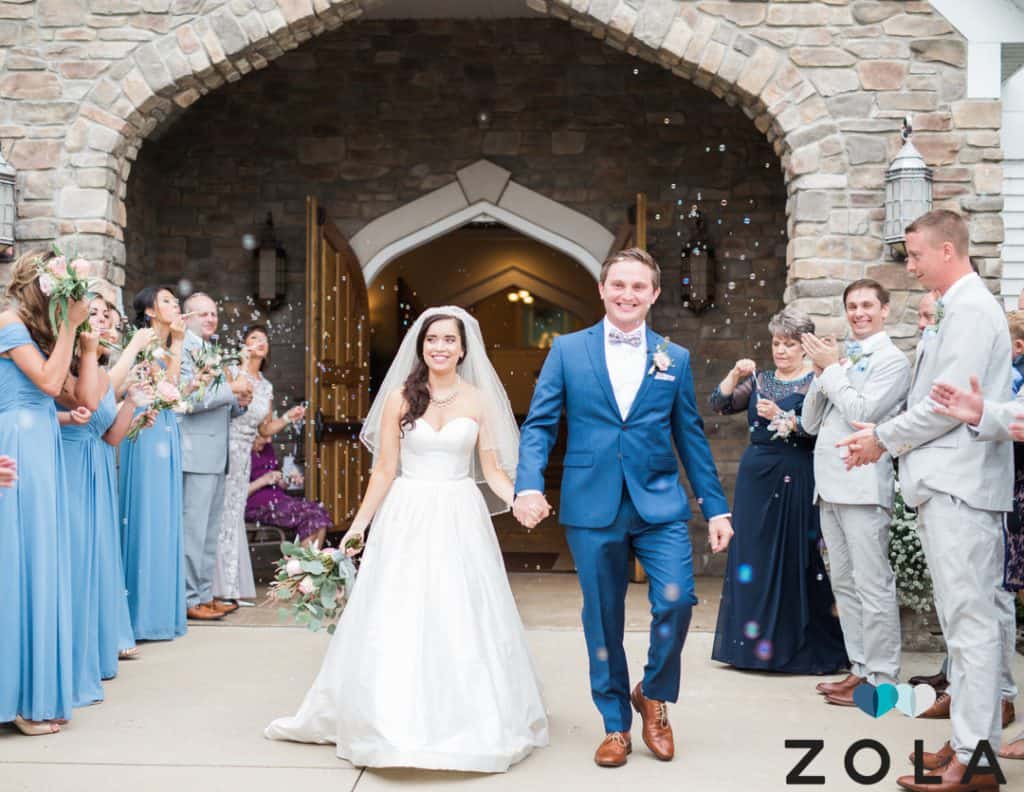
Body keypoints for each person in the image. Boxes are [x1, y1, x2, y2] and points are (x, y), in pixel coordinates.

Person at [266, 307, 548, 772]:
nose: (440, 347)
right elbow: (384, 471)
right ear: (421, 347)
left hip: (459, 514)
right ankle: (387, 716)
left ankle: (466, 715)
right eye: (431, 339)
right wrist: (357, 528)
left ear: (463, 348)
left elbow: (493, 471)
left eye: (448, 340)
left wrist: (519, 499)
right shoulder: (400, 397)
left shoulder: (478, 401)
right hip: (407, 513)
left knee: (460, 611)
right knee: (398, 611)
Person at [513, 248, 733, 768]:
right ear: (603, 289)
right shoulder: (567, 350)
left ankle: (653, 694)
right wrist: (527, 485)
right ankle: (615, 724)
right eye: (619, 285)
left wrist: (716, 508)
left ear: (654, 294)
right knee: (604, 617)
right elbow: (540, 424)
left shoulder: (673, 359)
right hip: (592, 505)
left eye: (639, 287)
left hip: (659, 503)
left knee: (677, 600)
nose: (628, 295)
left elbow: (691, 437)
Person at [839, 210, 1011, 792]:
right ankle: (972, 743)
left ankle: (975, 759)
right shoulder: (955, 309)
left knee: (970, 625)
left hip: (961, 485)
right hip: (950, 484)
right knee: (966, 623)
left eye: (914, 255)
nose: (908, 267)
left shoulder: (969, 310)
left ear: (946, 250)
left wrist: (880, 440)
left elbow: (945, 406)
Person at [709, 307, 848, 677]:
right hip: (756, 477)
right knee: (752, 555)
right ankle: (751, 649)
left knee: (797, 554)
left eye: (789, 344)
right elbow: (720, 405)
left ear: (804, 347)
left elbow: (819, 430)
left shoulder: (817, 382)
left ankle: (798, 647)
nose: (781, 351)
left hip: (797, 472)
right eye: (776, 343)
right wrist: (734, 374)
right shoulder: (759, 380)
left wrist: (782, 419)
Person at [799, 280, 910, 704]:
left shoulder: (893, 362)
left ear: (885, 309)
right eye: (851, 306)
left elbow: (864, 413)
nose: (858, 312)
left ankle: (883, 679)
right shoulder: (840, 361)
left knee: (873, 584)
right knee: (844, 583)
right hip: (828, 488)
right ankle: (860, 667)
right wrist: (819, 374)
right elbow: (811, 424)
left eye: (867, 305)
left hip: (863, 487)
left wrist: (833, 371)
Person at [0, 249, 89, 735]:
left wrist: (81, 340)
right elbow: (51, 382)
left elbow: (71, 395)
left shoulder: (34, 331)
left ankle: (35, 691)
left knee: (42, 559)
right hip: (17, 446)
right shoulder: (8, 323)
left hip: (42, 440)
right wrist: (72, 328)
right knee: (20, 562)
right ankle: (16, 696)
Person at [59, 297, 151, 705]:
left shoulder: (95, 364)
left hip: (97, 466)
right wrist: (131, 349)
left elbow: (110, 435)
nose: (101, 321)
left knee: (97, 558)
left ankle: (97, 646)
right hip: (69, 465)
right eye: (93, 313)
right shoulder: (66, 362)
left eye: (107, 317)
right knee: (76, 558)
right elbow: (90, 401)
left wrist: (133, 405)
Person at [213, 325, 304, 603]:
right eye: (253, 338)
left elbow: (264, 430)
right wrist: (240, 364)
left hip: (244, 455)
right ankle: (217, 587)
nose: (260, 342)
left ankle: (230, 586)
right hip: (224, 446)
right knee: (222, 514)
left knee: (234, 514)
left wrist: (288, 418)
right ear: (243, 344)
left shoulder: (266, 386)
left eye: (264, 339)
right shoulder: (232, 373)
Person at [119, 286, 188, 641]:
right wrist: (176, 343)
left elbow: (175, 390)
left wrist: (177, 342)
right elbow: (166, 385)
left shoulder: (168, 344)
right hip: (144, 428)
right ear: (148, 311)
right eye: (166, 301)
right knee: (147, 512)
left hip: (166, 427)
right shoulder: (141, 344)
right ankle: (142, 614)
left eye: (176, 300)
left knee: (164, 514)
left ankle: (161, 611)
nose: (175, 305)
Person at [179, 292, 252, 621]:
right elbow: (186, 399)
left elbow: (223, 404)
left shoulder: (213, 352)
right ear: (187, 318)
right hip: (195, 452)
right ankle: (188, 598)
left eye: (213, 313)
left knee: (209, 532)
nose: (210, 318)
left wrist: (242, 401)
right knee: (193, 531)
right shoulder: (183, 350)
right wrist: (231, 390)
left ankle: (204, 594)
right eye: (203, 314)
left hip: (216, 452)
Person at [245, 436, 333, 547]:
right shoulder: (241, 452)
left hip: (279, 501)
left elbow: (279, 483)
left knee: (319, 511)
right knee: (312, 515)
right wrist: (263, 480)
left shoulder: (267, 448)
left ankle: (309, 561)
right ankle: (302, 562)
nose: (269, 440)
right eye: (265, 436)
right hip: (256, 507)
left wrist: (288, 478)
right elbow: (237, 495)